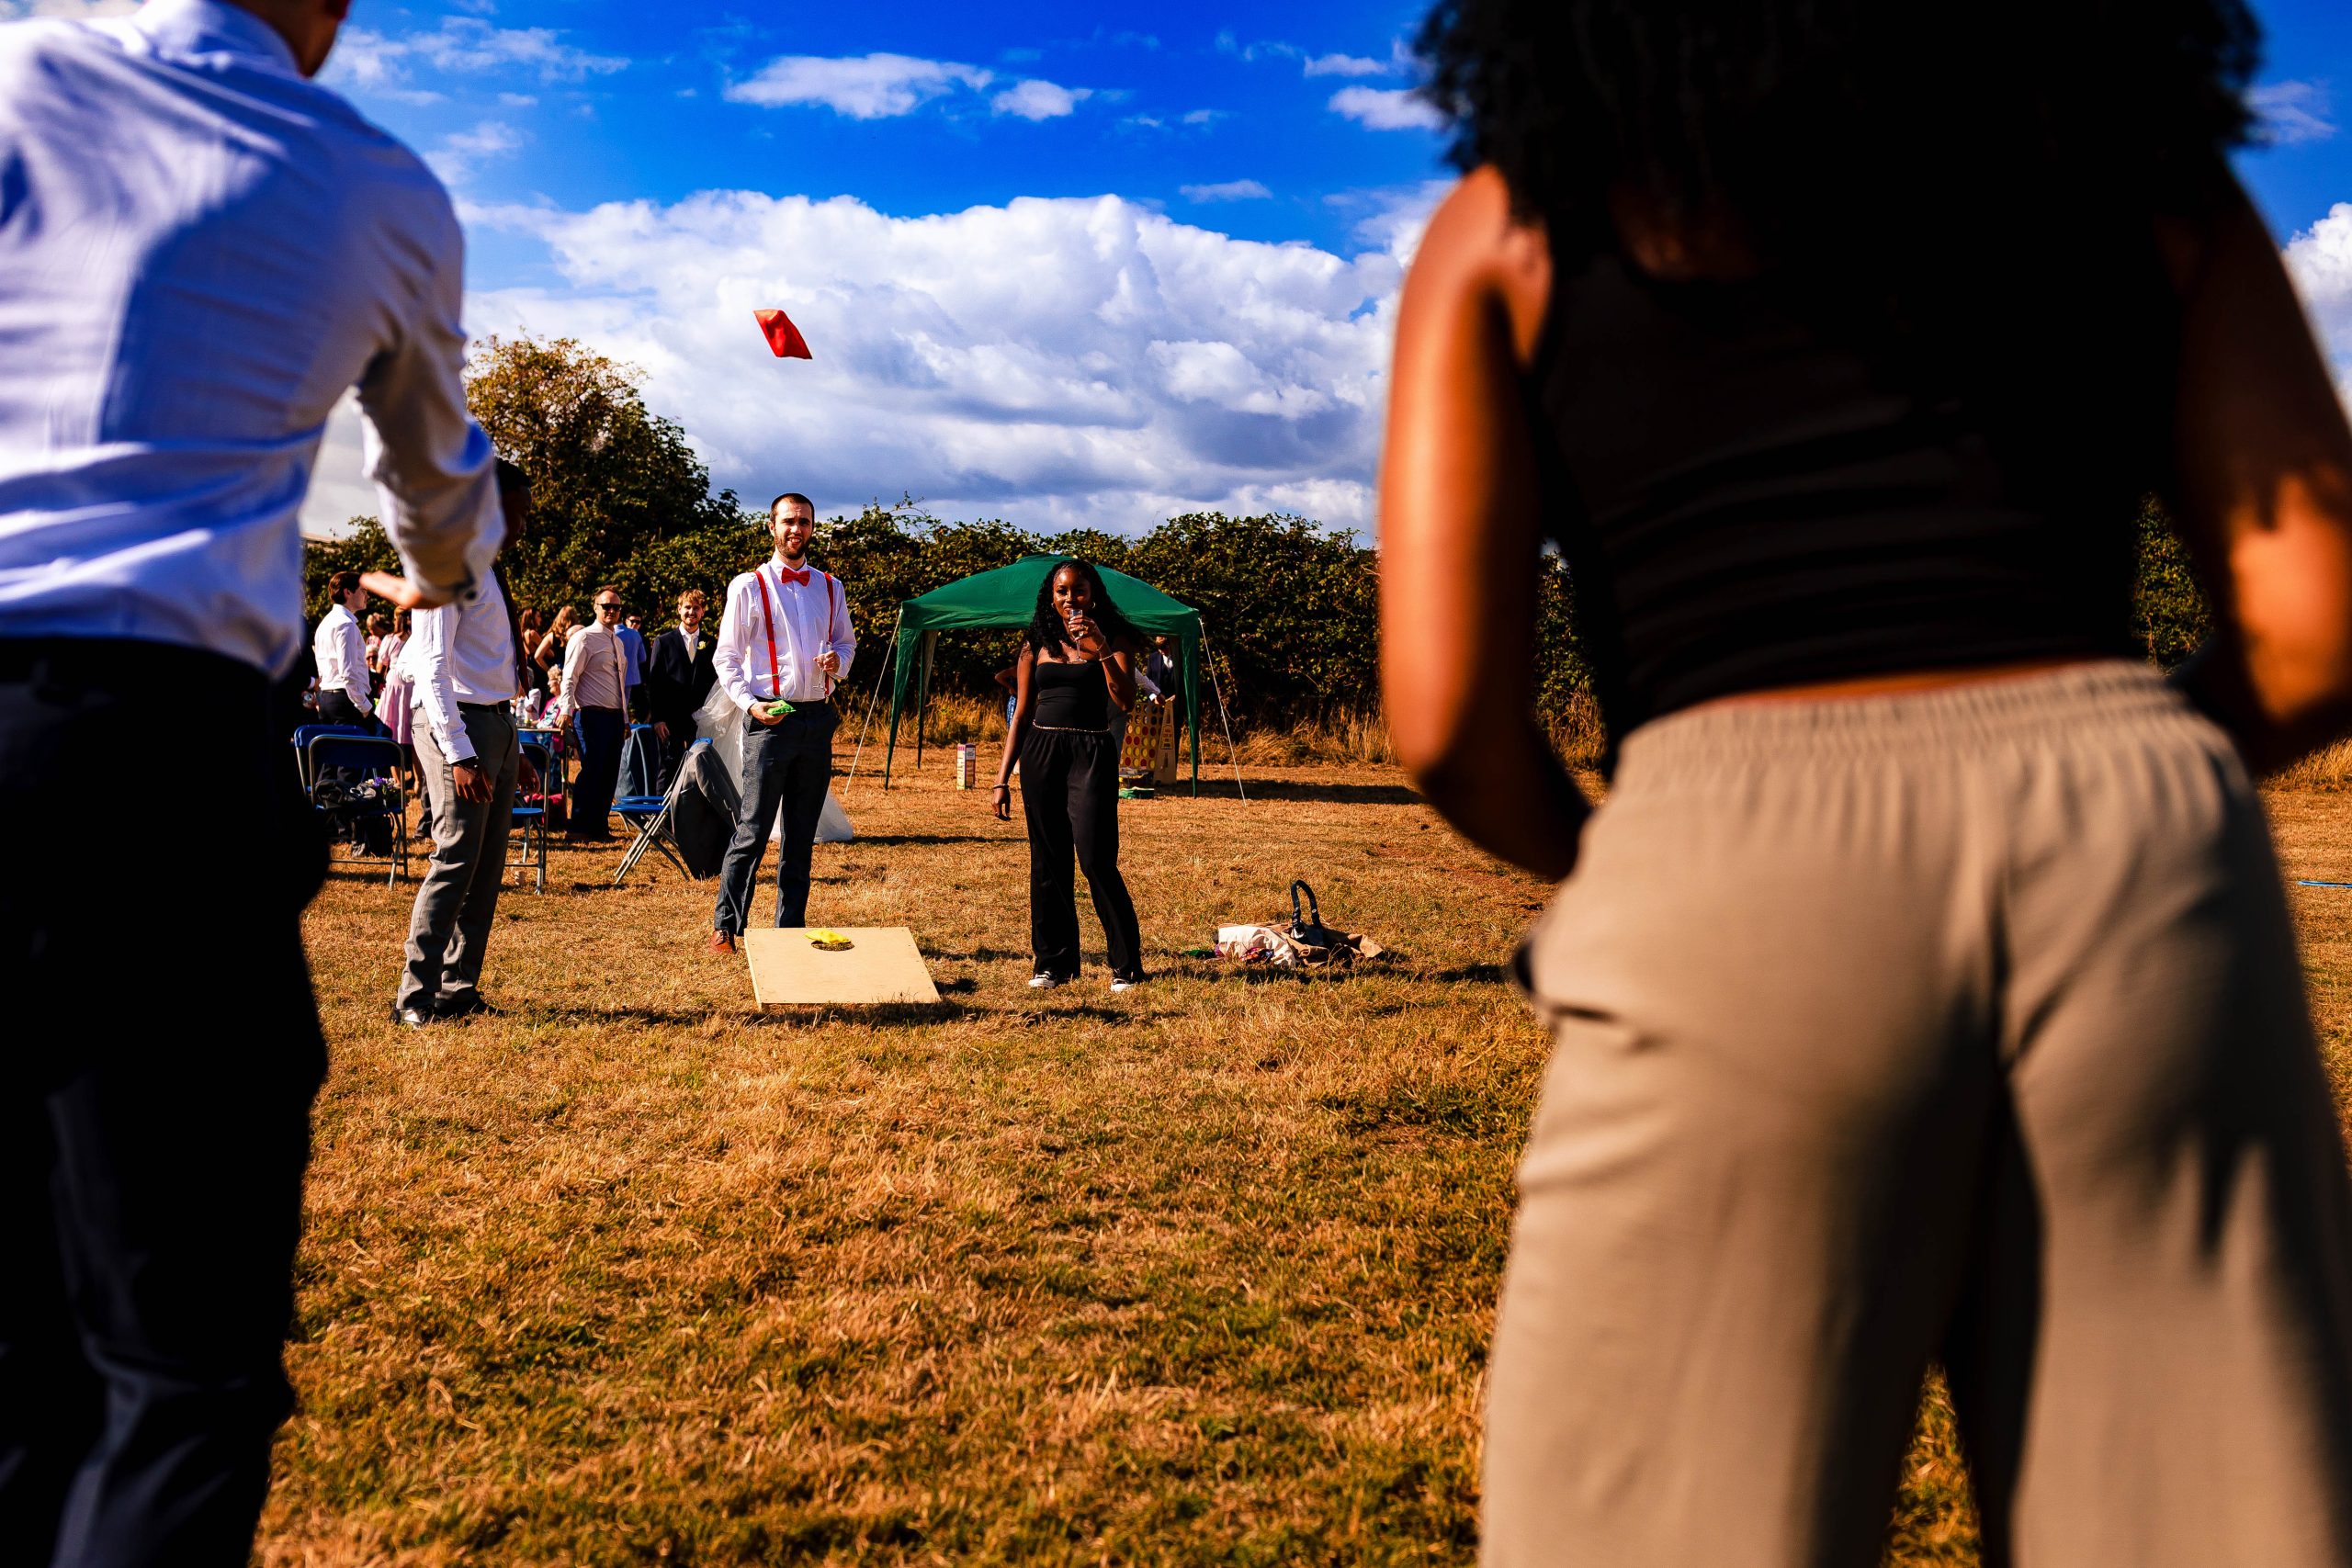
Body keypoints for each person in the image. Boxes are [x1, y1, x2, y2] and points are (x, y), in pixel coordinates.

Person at [1384, 2, 2352, 1563]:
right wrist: (2121, 776)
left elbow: (1445, 724)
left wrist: (1627, 867)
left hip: (1719, 854)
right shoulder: (2155, 179)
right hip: (2144, 851)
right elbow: (2315, 634)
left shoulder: (1512, 222)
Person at [0, 0, 503, 1560]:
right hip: (143, 757)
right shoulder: (374, 184)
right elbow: (444, 492)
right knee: (178, 1368)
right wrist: (438, 569)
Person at [392, 461, 539, 1028]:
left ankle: (458, 987)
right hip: (458, 724)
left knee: (486, 865)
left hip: (496, 723)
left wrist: (515, 747)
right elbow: (432, 669)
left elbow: (490, 667)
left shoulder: (488, 569)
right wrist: (459, 753)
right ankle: (415, 997)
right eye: (517, 512)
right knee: (454, 859)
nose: (523, 525)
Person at [707, 492, 855, 951]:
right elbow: (726, 657)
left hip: (816, 719)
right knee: (753, 827)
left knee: (802, 831)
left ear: (813, 528)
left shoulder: (831, 587)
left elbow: (847, 646)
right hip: (770, 717)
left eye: (805, 522)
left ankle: (789, 929)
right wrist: (751, 705)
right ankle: (727, 927)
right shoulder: (747, 586)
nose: (797, 529)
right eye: (788, 521)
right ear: (771, 527)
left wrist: (839, 662)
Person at [990, 559, 1146, 991]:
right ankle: (1053, 964)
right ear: (1051, 596)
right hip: (1042, 752)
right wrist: (1002, 778)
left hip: (1091, 750)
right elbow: (1020, 713)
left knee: (1096, 858)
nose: (1070, 599)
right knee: (1048, 860)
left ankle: (1127, 966)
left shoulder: (1114, 638)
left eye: (1078, 590)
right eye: (1062, 591)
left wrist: (1100, 651)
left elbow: (1126, 699)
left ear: (1093, 594)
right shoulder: (1036, 642)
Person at [559, 585, 634, 843]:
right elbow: (569, 677)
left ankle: (599, 827)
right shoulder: (584, 638)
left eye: (616, 607)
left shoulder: (618, 641)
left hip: (613, 717)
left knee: (609, 773)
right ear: (595, 608)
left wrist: (624, 719)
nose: (611, 611)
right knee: (591, 771)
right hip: (590, 715)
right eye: (606, 606)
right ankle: (578, 827)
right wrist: (566, 711)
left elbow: (620, 685)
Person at [644, 587, 718, 788]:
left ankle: (692, 817)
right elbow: (655, 684)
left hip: (701, 719)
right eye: (687, 607)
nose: (691, 612)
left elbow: (715, 682)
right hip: (670, 719)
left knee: (701, 768)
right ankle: (663, 817)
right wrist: (658, 718)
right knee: (668, 767)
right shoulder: (663, 642)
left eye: (696, 608)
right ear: (679, 609)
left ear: (703, 611)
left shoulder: (712, 644)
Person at [312, 569, 376, 729]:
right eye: (363, 591)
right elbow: (347, 672)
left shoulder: (325, 623)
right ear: (348, 592)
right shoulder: (346, 624)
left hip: (327, 697)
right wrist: (364, 706)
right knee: (354, 752)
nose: (367, 596)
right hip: (345, 701)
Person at [531, 603, 576, 674]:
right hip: (577, 672)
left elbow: (537, 656)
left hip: (561, 673)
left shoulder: (552, 636)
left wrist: (550, 671)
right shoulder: (578, 633)